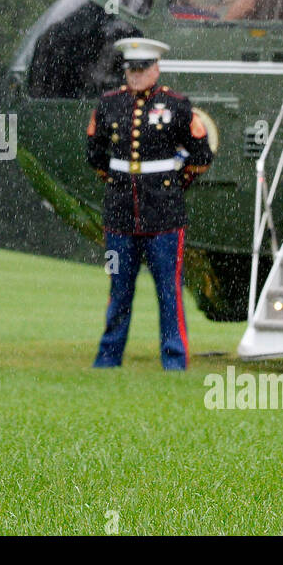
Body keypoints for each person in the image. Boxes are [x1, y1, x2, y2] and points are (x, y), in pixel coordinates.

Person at [85, 38, 212, 370]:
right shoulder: (109, 105)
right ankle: (108, 360)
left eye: (142, 69)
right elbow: (95, 155)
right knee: (118, 291)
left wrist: (174, 186)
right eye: (131, 70)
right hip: (120, 216)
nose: (136, 76)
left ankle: (174, 360)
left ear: (156, 68)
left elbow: (200, 156)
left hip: (165, 217)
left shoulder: (177, 106)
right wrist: (118, 185)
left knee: (169, 294)